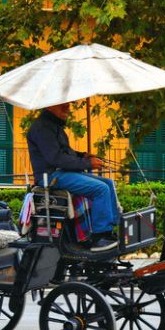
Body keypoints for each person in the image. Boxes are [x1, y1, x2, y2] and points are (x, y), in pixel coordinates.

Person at [25, 102, 119, 252]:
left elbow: (65, 152)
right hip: (51, 176)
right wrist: (87, 163)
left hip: (61, 172)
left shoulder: (53, 126)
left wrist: (83, 156)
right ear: (50, 106)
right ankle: (100, 237)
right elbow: (56, 158)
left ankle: (111, 228)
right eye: (64, 105)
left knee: (108, 183)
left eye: (68, 106)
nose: (68, 109)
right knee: (101, 189)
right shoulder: (42, 128)